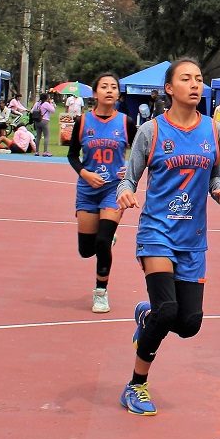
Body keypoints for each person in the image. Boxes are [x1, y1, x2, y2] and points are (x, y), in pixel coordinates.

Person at [116, 58, 220, 416]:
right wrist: (124, 192)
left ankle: (147, 316)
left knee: (189, 324)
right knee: (167, 311)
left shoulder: (212, 130)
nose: (195, 84)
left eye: (199, 79)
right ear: (169, 88)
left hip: (193, 239)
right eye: (186, 79)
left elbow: (214, 177)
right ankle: (136, 384)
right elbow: (129, 177)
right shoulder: (151, 131)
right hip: (157, 233)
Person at [69, 73, 137, 313]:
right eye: (104, 87)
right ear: (95, 93)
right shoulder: (83, 122)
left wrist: (129, 169)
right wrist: (85, 173)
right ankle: (105, 239)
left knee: (102, 241)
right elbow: (71, 155)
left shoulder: (126, 123)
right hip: (88, 190)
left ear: (118, 94)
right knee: (86, 250)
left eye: (114, 87)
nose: (109, 90)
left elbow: (143, 151)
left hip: (113, 189)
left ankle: (100, 292)